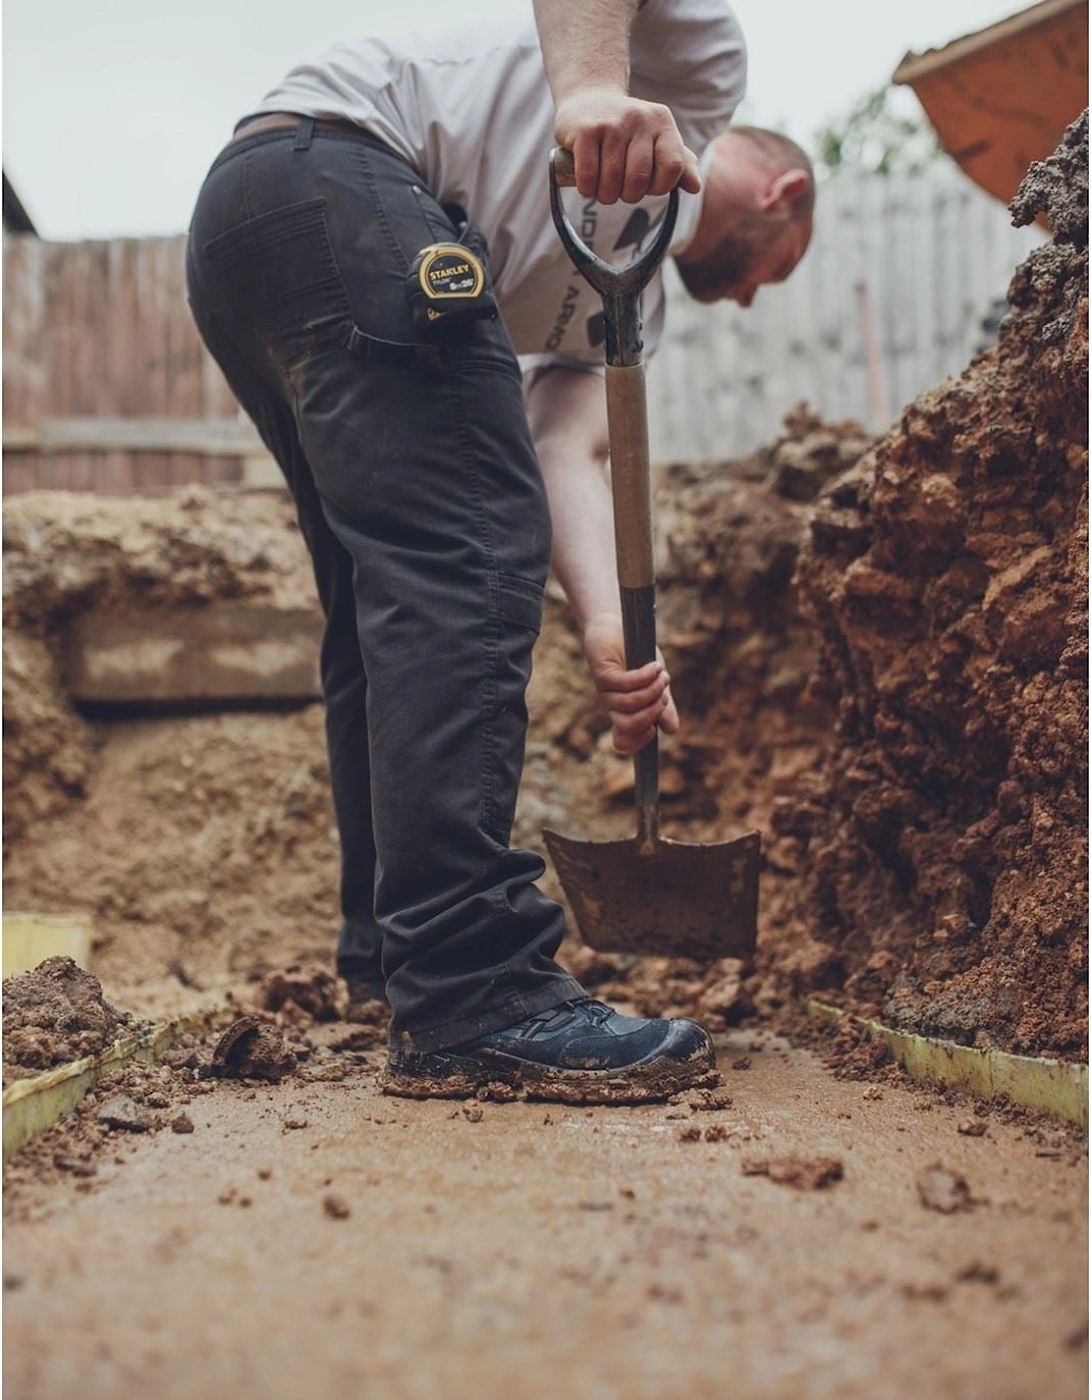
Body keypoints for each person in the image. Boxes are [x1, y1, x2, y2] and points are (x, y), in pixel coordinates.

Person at [185, 0, 814, 1103]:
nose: (754, 293)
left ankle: (396, 954)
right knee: (465, 553)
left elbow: (562, 446)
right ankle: (471, 984)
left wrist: (610, 628)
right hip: (335, 169)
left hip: (256, 225)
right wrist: (584, 93)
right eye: (772, 266)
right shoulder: (700, 78)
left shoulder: (639, 298)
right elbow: (488, 521)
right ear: (781, 193)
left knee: (388, 590)